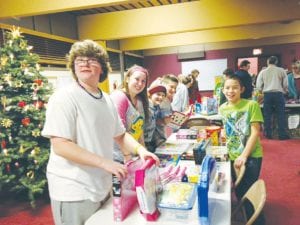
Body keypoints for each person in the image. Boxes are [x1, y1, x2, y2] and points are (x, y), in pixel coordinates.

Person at [41, 40, 159, 225]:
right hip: (73, 188)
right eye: (79, 60)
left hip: (102, 183)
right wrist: (106, 163)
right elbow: (61, 146)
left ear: (102, 68)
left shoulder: (106, 99)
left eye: (91, 60)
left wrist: (141, 151)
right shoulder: (64, 97)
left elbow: (120, 134)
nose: (84, 63)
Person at [219, 74, 264, 224]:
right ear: (223, 90)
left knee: (248, 192)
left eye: (235, 87)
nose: (230, 91)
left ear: (242, 89)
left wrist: (244, 156)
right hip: (232, 155)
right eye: (227, 88)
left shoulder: (251, 105)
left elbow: (255, 132)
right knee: (237, 191)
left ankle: (257, 220)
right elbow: (228, 130)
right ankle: (244, 215)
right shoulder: (223, 108)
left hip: (250, 156)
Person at [110, 65, 149, 162]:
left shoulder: (139, 100)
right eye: (137, 79)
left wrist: (143, 150)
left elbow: (139, 129)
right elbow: (118, 131)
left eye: (143, 81)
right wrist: (126, 155)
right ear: (127, 79)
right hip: (118, 156)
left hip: (133, 153)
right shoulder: (119, 97)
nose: (140, 83)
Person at [256, 56, 290, 140]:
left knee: (267, 115)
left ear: (268, 62)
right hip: (279, 94)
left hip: (267, 95)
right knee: (280, 115)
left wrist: (260, 91)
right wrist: (285, 90)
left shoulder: (263, 72)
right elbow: (286, 84)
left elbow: (258, 85)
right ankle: (282, 135)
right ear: (276, 62)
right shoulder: (281, 70)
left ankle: (268, 134)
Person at [144, 82, 167, 152]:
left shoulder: (157, 107)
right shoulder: (145, 107)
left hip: (152, 141)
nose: (161, 97)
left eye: (163, 95)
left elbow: (154, 127)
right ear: (150, 95)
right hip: (143, 143)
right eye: (158, 94)